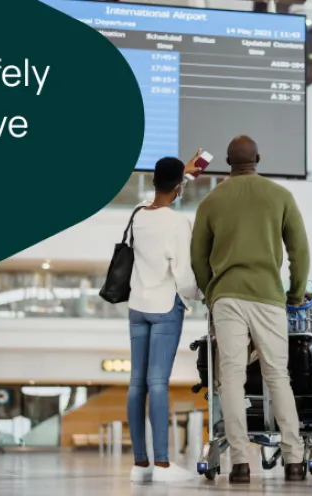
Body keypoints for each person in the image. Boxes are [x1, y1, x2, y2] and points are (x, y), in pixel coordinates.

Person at [191, 135, 310, 483]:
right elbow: (299, 250)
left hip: (227, 297)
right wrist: (297, 293)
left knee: (230, 378)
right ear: (258, 158)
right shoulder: (280, 196)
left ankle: (240, 463)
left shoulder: (211, 201)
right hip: (268, 297)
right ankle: (294, 460)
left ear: (227, 162)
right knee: (278, 376)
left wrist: (210, 292)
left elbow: (198, 257)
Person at [127, 152, 205, 483]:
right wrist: (201, 295)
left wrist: (180, 178)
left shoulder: (138, 214)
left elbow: (157, 201)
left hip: (137, 306)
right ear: (177, 189)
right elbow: (185, 277)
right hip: (164, 308)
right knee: (158, 383)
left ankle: (140, 464)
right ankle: (162, 466)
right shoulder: (177, 223)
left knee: (137, 384)